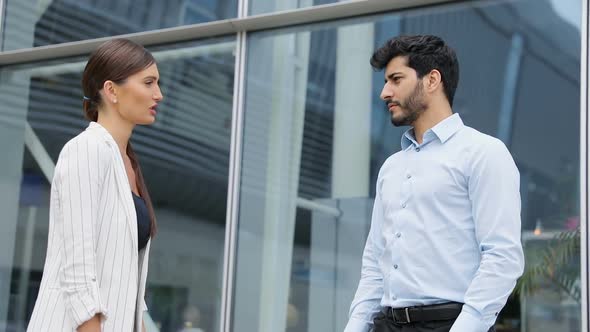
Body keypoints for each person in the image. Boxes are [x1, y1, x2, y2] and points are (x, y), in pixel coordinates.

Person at [344, 35, 524, 332]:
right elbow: (375, 261)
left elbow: (502, 258)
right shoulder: (391, 167)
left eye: (396, 79)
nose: (385, 92)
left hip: (449, 324)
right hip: (385, 324)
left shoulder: (483, 153)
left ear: (432, 80)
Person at [27, 38, 163, 332]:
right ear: (111, 90)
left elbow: (128, 283)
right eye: (149, 83)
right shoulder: (86, 150)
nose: (159, 95)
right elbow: (78, 271)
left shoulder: (128, 163)